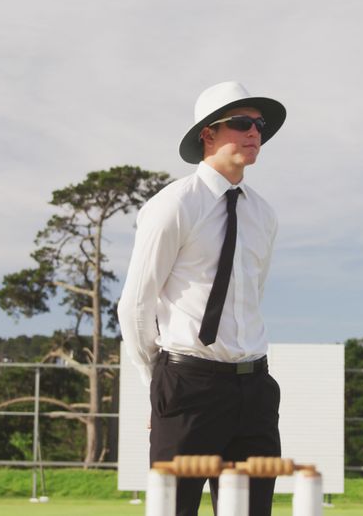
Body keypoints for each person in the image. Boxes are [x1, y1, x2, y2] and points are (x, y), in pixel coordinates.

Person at [118, 81, 287, 516]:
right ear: (207, 134)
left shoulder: (264, 215)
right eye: (242, 123)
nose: (255, 133)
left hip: (255, 389)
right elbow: (136, 303)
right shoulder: (173, 205)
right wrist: (155, 383)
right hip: (188, 388)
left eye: (260, 125)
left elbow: (252, 296)